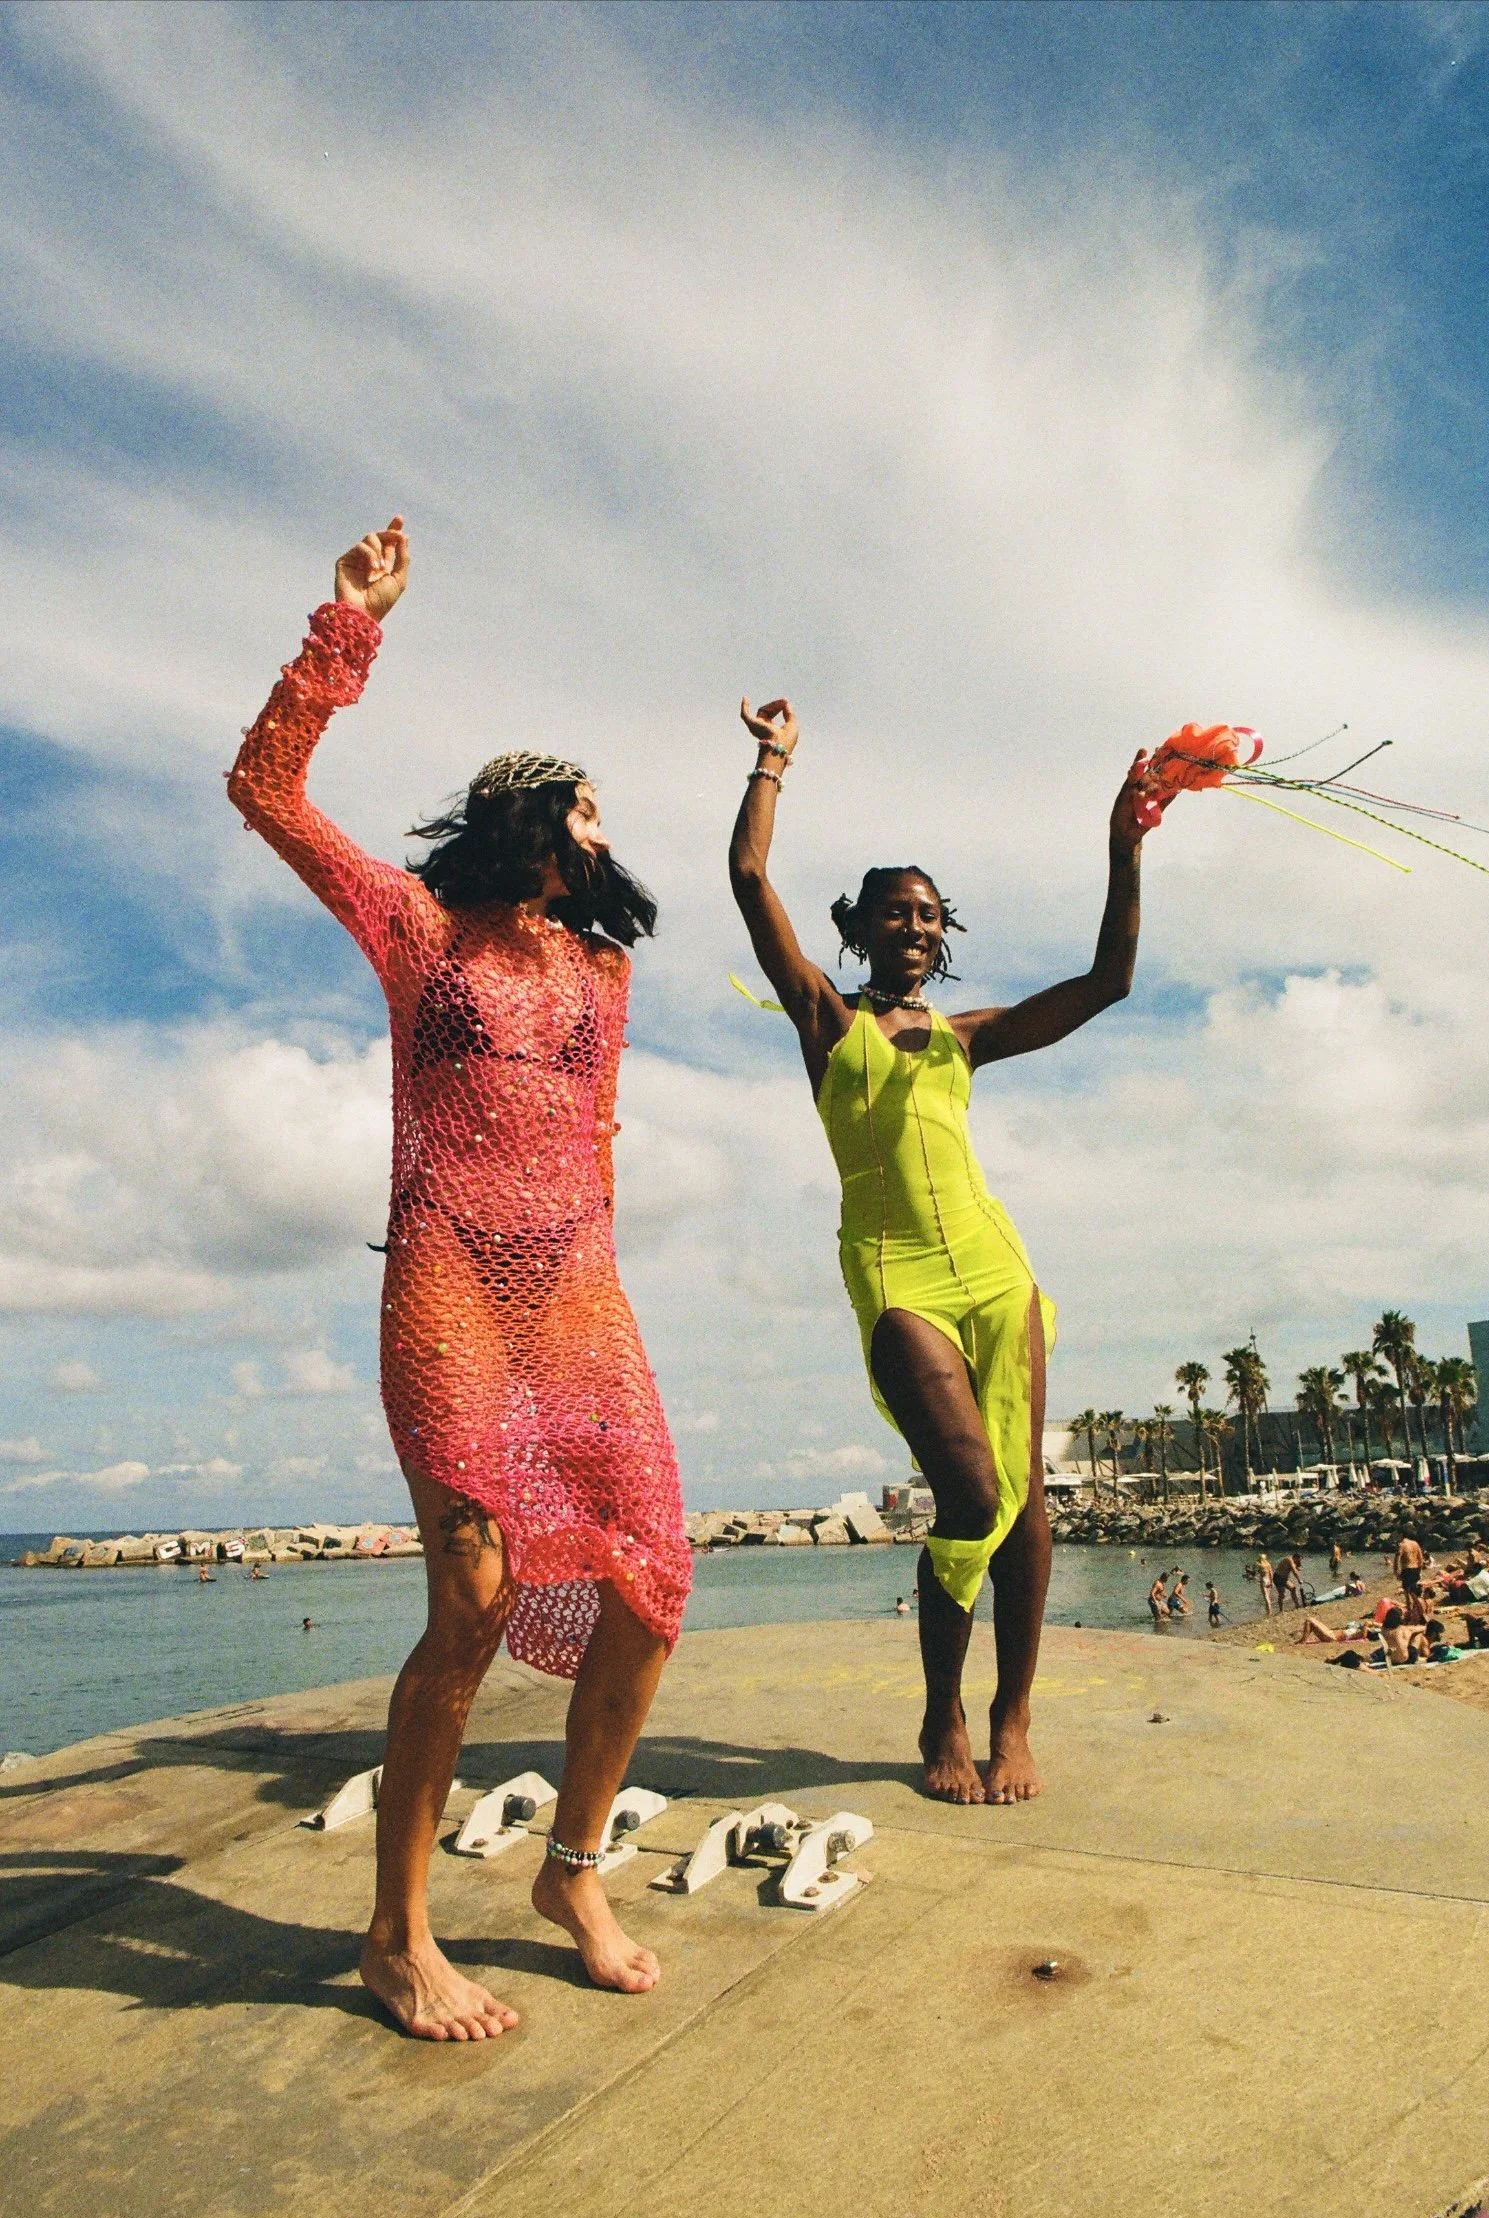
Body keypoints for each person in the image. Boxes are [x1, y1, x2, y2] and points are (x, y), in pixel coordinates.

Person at [230, 520, 692, 2039]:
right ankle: (395, 1930)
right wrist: (344, 629)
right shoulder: (419, 933)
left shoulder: (605, 974)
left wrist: (598, 1301)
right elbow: (266, 792)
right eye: (589, 812)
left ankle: (571, 1869)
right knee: (476, 1592)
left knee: (649, 1580)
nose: (606, 836)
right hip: (445, 1286)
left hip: (576, 1297)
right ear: (530, 826)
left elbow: (592, 1147)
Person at [728, 693, 1164, 1803]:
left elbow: (1107, 983)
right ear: (861, 926)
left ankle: (1012, 1716)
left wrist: (1122, 845)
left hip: (994, 1267)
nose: (917, 929)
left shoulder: (968, 1040)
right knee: (970, 1496)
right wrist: (772, 762)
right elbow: (745, 879)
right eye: (897, 914)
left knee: (1026, 1496)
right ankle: (940, 1708)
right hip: (895, 1276)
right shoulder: (827, 1022)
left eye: (931, 917)